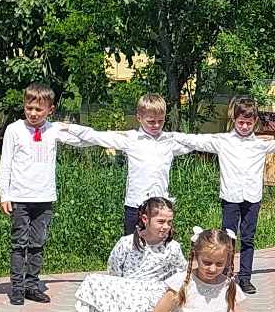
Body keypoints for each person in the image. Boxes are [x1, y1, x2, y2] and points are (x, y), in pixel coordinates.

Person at [175, 96, 275, 295]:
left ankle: (245, 278)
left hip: (252, 199)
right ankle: (225, 276)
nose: (244, 126)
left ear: (254, 122)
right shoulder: (222, 141)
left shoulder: (259, 144)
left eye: (248, 123)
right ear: (234, 119)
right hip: (230, 198)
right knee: (227, 239)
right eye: (241, 122)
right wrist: (168, 135)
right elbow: (196, 141)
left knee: (248, 238)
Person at [0, 83, 87, 305]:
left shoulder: (53, 129)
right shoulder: (14, 129)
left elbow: (82, 140)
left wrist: (68, 126)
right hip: (20, 197)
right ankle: (17, 287)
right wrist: (4, 195)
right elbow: (5, 163)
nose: (33, 113)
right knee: (19, 243)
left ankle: (32, 285)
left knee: (37, 243)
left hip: (44, 198)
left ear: (50, 109)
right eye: (29, 108)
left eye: (39, 109)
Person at [66, 93, 194, 236]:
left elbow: (196, 143)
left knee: (160, 245)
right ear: (139, 118)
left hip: (160, 206)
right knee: (132, 244)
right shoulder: (131, 139)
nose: (156, 125)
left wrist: (179, 136)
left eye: (160, 121)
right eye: (151, 121)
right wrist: (69, 128)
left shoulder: (169, 142)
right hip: (135, 205)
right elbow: (97, 136)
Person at [75, 196, 185, 312]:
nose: (165, 226)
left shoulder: (172, 247)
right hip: (128, 291)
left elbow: (182, 272)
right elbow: (114, 267)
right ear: (145, 219)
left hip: (152, 293)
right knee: (93, 280)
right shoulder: (127, 243)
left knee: (163, 290)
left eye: (169, 222)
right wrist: (119, 289)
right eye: (161, 222)